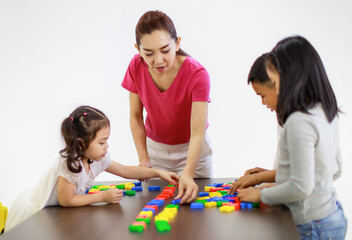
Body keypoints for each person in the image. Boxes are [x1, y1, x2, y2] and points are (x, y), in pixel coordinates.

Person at [235, 36, 347, 239]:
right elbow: (334, 168)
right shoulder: (324, 110)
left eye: (276, 82)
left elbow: (301, 186)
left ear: (292, 77)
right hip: (332, 215)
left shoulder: (298, 121)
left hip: (312, 225)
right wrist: (281, 182)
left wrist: (261, 194)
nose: (276, 89)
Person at [5, 105, 178, 231]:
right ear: (81, 143)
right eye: (102, 142)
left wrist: (157, 172)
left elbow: (126, 170)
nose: (107, 146)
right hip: (34, 213)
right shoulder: (70, 163)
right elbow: (67, 200)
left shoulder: (97, 158)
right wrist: (103, 196)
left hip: (54, 212)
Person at [122, 10, 213, 203]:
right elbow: (135, 116)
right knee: (158, 208)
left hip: (193, 150)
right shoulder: (135, 66)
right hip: (156, 151)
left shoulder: (198, 75)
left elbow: (197, 131)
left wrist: (188, 173)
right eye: (148, 53)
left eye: (165, 50)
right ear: (137, 49)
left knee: (196, 211)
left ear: (177, 43)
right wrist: (144, 159)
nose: (158, 60)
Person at [230, 53, 277, 194]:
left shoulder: (298, 121)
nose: (263, 102)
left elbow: (302, 181)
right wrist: (267, 175)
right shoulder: (284, 117)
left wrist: (262, 192)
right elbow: (296, 172)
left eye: (263, 95)